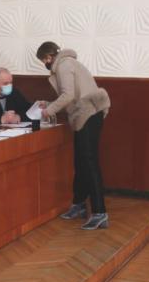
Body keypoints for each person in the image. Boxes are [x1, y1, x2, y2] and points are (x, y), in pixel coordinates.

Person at [36, 42, 111, 230]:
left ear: (48, 57)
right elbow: (72, 97)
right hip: (86, 114)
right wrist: (48, 104)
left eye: (43, 60)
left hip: (87, 115)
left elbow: (68, 95)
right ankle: (79, 204)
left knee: (89, 163)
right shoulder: (68, 63)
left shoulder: (64, 65)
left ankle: (100, 213)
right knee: (81, 162)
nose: (44, 64)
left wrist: (48, 111)